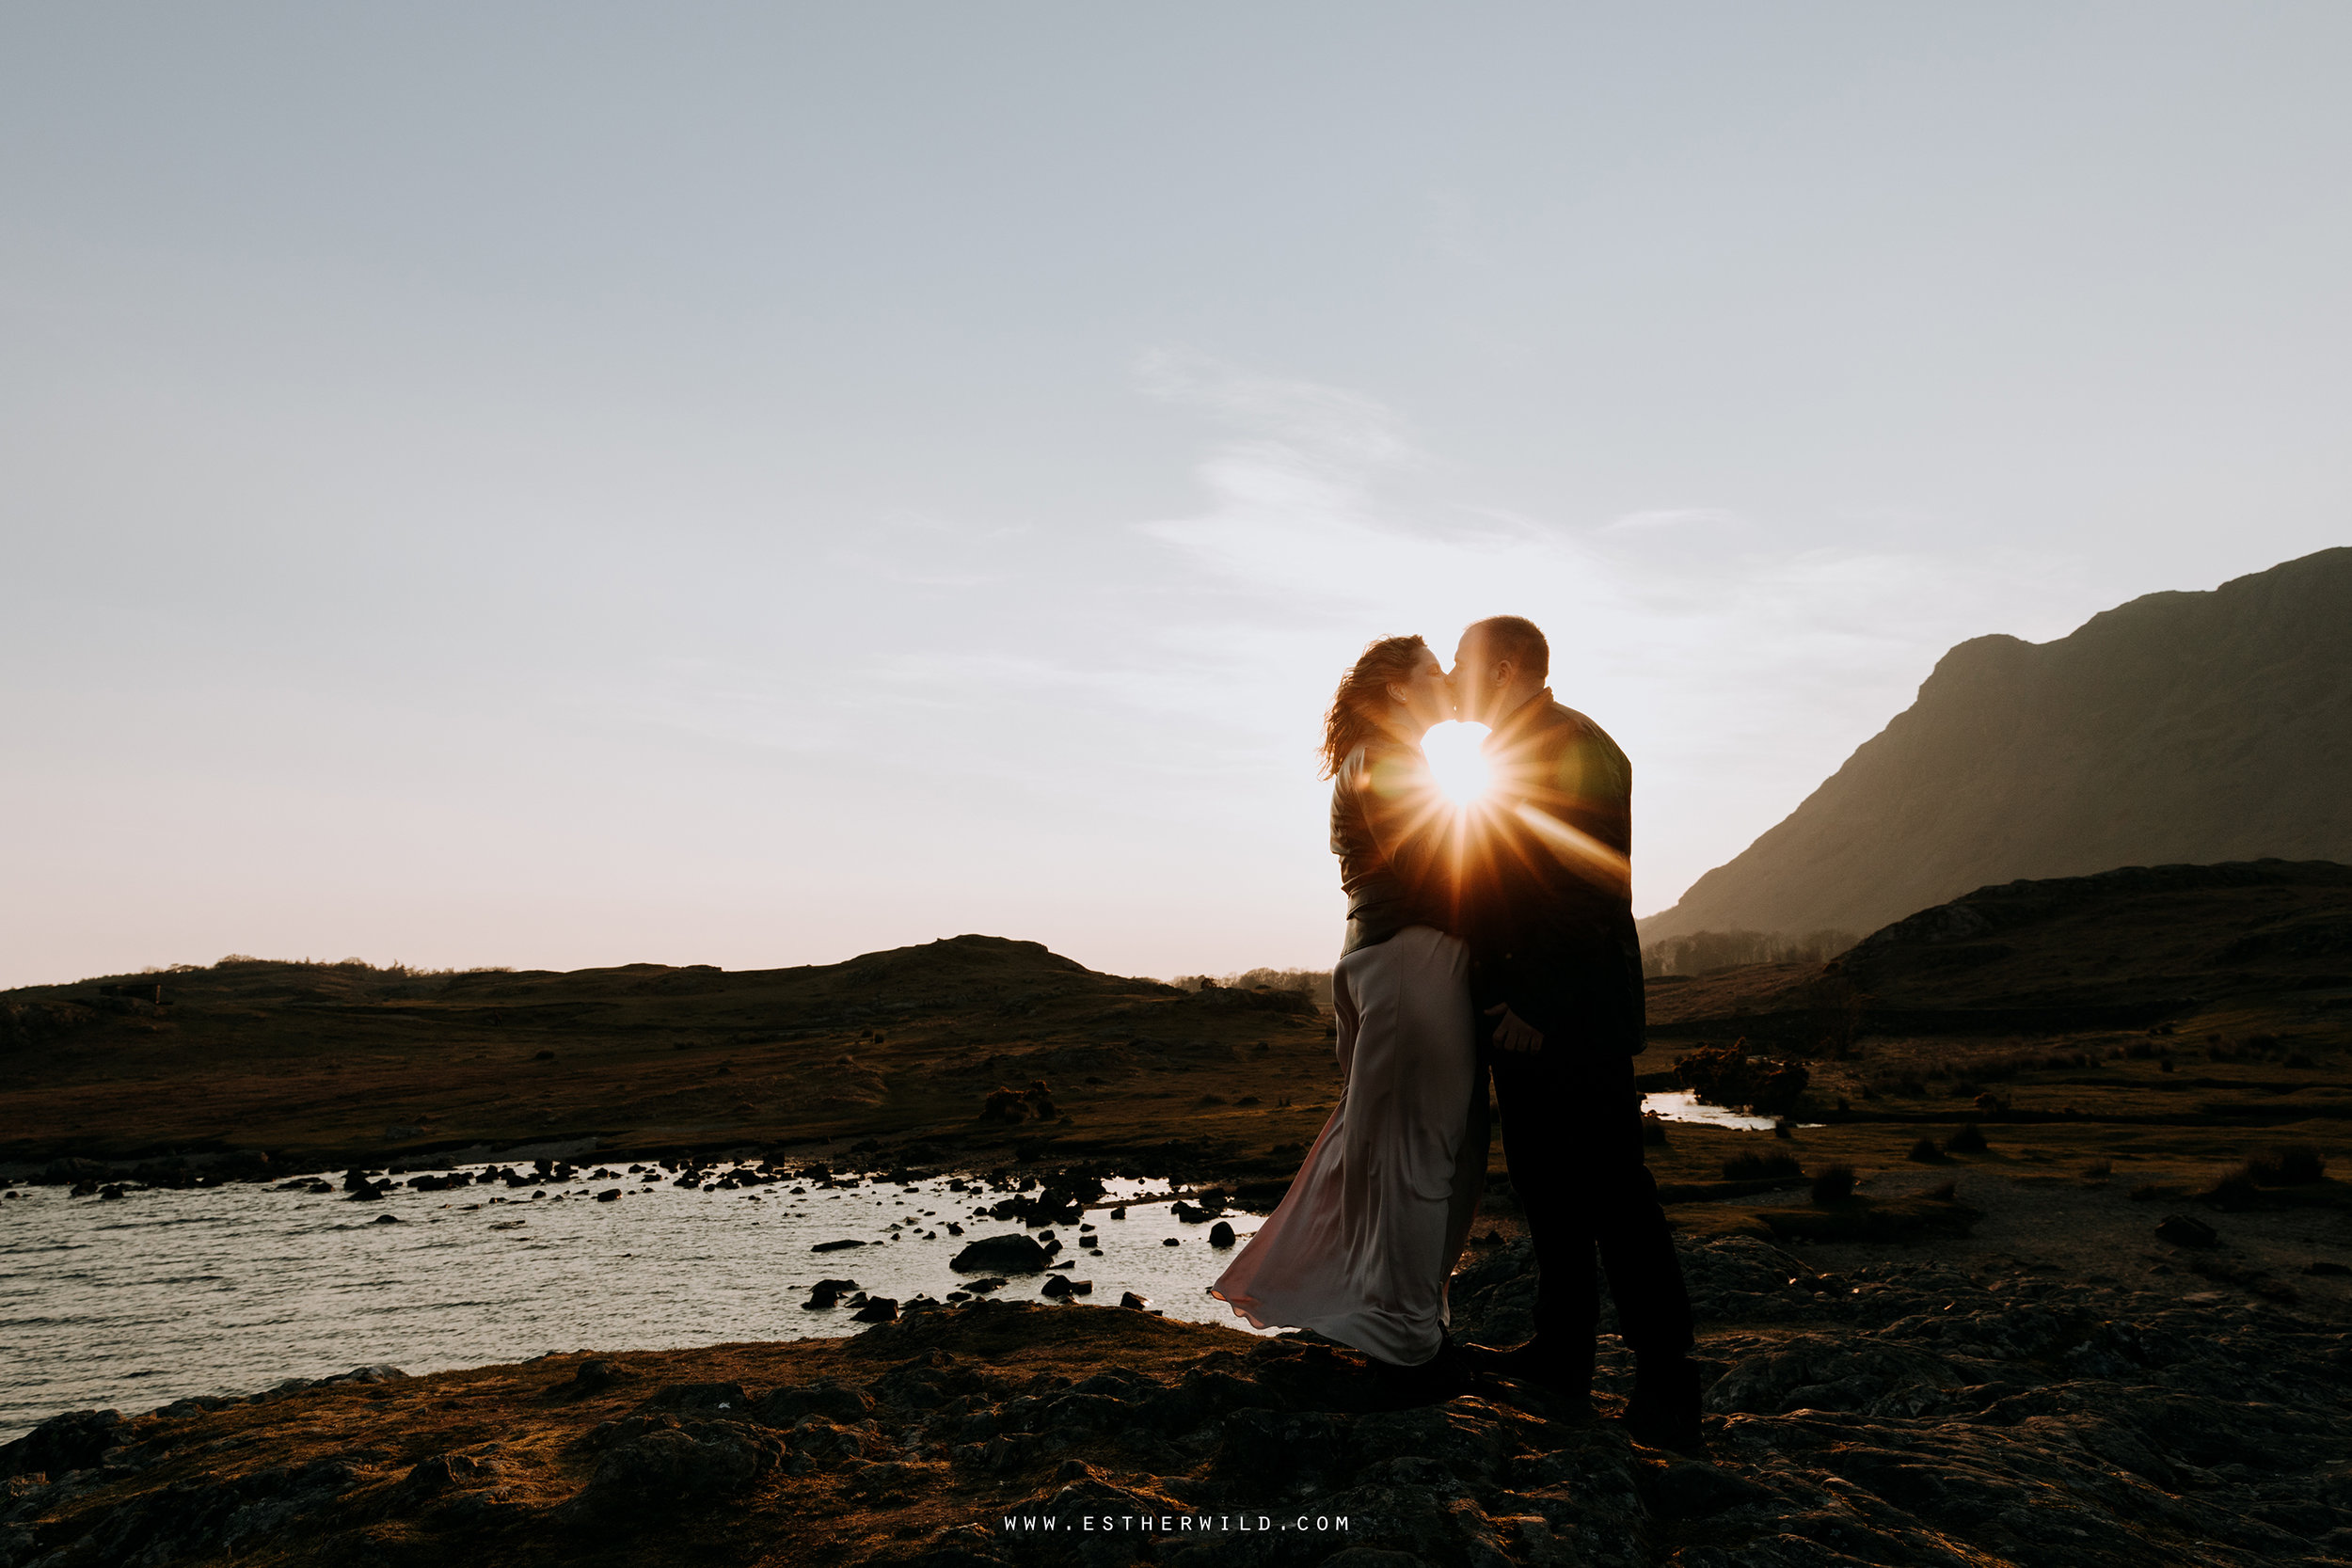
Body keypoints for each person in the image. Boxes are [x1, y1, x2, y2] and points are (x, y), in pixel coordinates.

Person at [1209, 634, 1489, 1402]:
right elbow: (1434, 865)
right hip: (1409, 965)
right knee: (1413, 1156)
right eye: (1434, 671)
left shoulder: (1385, 756)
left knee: (1407, 1151)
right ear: (1399, 689)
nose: (1449, 681)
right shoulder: (1386, 759)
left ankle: (1400, 1323)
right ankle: (1403, 1344)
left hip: (1395, 962)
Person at [1447, 614, 1702, 1449]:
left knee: (1618, 1201)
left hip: (1571, 1021)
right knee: (1548, 1193)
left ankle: (1669, 1389)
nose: (1455, 680)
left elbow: (1593, 889)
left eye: (1465, 666)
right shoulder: (1509, 749)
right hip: (1519, 1021)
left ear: (1511, 666)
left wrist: (1538, 1005)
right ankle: (1561, 1357)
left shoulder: (1578, 745)